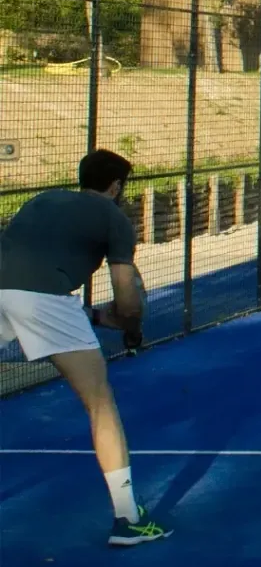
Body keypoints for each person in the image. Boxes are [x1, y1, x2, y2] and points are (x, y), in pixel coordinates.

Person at [0, 150, 172, 546]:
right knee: (100, 403)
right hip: (44, 301)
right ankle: (128, 519)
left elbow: (28, 277)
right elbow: (127, 298)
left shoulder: (42, 200)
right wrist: (132, 330)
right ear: (116, 186)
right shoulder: (115, 218)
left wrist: (95, 317)